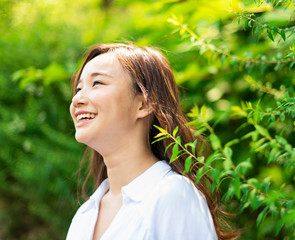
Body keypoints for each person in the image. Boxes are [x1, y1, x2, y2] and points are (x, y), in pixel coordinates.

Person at [66, 43, 235, 240]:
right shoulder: (84, 216)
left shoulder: (172, 194)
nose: (78, 98)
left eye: (97, 83)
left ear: (145, 104)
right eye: (78, 88)